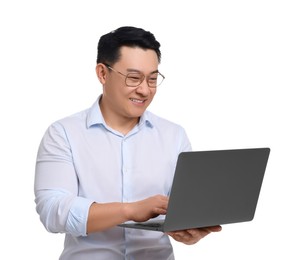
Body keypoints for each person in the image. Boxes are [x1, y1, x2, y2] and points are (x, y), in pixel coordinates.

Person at [34, 26, 222, 260]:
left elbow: (183, 209)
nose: (144, 90)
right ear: (103, 73)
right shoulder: (63, 133)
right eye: (134, 78)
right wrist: (130, 210)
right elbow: (53, 212)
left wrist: (190, 230)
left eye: (152, 79)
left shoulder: (174, 136)